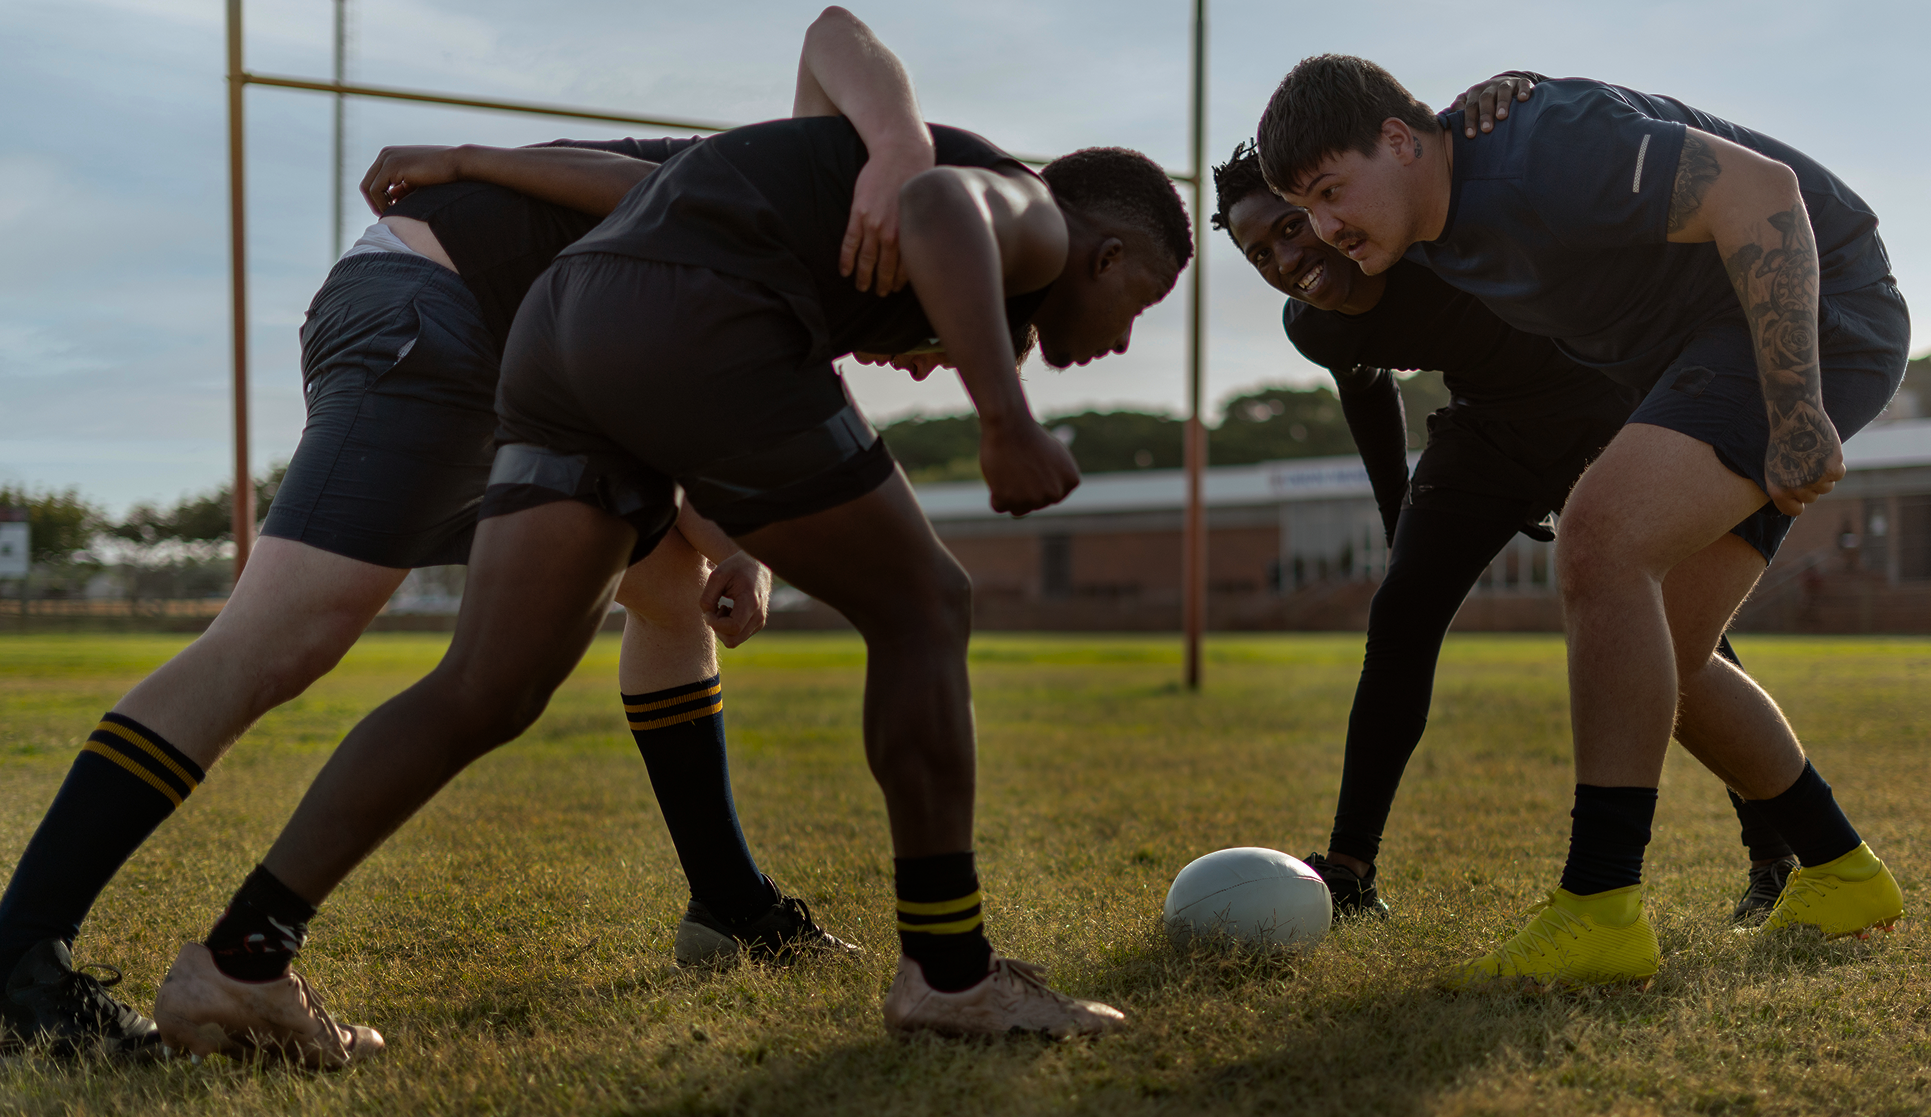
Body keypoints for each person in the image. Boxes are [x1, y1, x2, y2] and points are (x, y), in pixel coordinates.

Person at [150, 7, 1193, 1061]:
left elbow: (751, 284)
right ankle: (950, 973)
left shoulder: (826, 189)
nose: (1121, 339)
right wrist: (1004, 419)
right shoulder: (1037, 221)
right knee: (926, 603)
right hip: (687, 311)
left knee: (487, 686)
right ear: (1105, 254)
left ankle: (239, 960)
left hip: (562, 326)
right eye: (1141, 302)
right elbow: (926, 200)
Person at [0, 6, 961, 1064]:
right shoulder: (816, 194)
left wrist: (739, 540)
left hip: (515, 355)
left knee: (666, 589)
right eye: (940, 334)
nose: (923, 364)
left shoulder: (782, 271)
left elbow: (692, 416)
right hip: (443, 303)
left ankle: (724, 898)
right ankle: (16, 959)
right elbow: (824, 37)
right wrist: (901, 145)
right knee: (284, 631)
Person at [1255, 58, 1906, 990]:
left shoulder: (1540, 147)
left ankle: (1598, 906)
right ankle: (1841, 870)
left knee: (1601, 544)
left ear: (1399, 144)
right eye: (1304, 209)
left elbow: (1764, 194)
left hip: (1807, 316)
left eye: (1328, 192)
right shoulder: (1427, 214)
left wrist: (1796, 407)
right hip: (1689, 354)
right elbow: (1439, 157)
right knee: (1671, 656)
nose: (1322, 228)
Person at [1210, 131, 1801, 924]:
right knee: (1401, 614)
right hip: (1487, 431)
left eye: (1291, 226)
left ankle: (1775, 851)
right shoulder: (1311, 324)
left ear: (1332, 208)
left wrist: (1506, 94)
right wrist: (1398, 524)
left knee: (1671, 628)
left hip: (1596, 406)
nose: (1284, 259)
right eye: (1258, 253)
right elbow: (1365, 385)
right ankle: (1348, 868)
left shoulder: (1423, 240)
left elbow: (1456, 162)